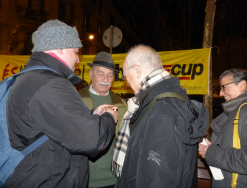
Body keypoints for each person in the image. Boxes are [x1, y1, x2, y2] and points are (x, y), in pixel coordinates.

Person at [4, 19, 118, 188]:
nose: (78, 59)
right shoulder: (50, 84)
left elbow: (56, 125)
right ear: (59, 47)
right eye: (75, 51)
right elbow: (92, 140)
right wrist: (108, 116)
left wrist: (92, 116)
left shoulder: (32, 79)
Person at [113, 44, 208, 188]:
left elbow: (157, 179)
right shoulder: (166, 101)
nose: (126, 81)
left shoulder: (162, 111)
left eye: (125, 75)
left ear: (137, 70)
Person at [79, 52, 127, 188]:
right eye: (100, 73)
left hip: (114, 179)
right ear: (91, 74)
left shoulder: (121, 104)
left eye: (110, 74)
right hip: (83, 178)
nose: (105, 79)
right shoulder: (76, 100)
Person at [199, 68, 247, 188]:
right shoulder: (235, 111)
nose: (221, 93)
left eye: (224, 87)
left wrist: (210, 152)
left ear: (242, 85)